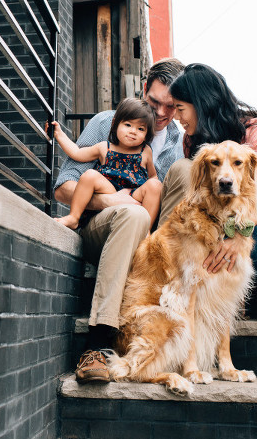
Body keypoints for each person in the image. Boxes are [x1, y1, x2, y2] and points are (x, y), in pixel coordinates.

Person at [53, 58, 185, 383]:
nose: (161, 113)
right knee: (132, 212)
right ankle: (97, 343)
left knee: (145, 207)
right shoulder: (104, 124)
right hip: (100, 229)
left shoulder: (177, 148)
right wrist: (112, 200)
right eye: (155, 102)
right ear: (143, 90)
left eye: (172, 106)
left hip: (141, 246)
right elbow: (63, 187)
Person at [168, 63, 257, 322]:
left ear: (201, 104)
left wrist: (236, 238)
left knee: (244, 221)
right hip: (220, 226)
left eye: (180, 108)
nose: (176, 116)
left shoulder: (256, 132)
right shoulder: (193, 142)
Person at [50, 98, 161, 230]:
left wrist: (152, 188)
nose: (133, 131)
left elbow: (152, 176)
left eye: (140, 128)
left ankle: (145, 230)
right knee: (90, 175)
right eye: (128, 125)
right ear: (115, 124)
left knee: (155, 185)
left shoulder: (145, 151)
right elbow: (77, 153)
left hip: (133, 194)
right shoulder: (104, 148)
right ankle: (74, 217)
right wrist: (59, 134)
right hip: (109, 191)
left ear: (147, 134)